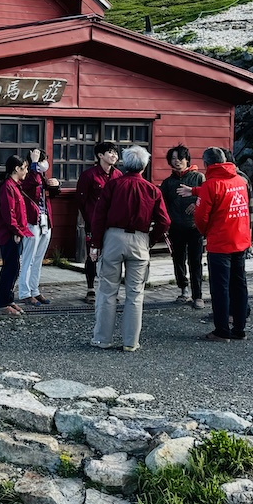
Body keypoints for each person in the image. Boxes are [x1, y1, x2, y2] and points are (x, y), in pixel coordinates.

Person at [89, 145, 170, 352]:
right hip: (140, 239)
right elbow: (164, 221)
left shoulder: (113, 185)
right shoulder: (153, 190)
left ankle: (102, 339)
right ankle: (130, 342)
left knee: (107, 291)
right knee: (135, 294)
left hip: (113, 238)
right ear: (144, 165)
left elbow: (99, 217)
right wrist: (150, 240)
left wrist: (95, 244)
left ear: (125, 163)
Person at [194, 146, 253, 342]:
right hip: (240, 240)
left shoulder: (212, 184)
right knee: (240, 285)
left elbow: (201, 217)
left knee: (220, 287)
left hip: (220, 242)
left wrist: (205, 232)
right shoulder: (239, 180)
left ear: (207, 164)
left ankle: (221, 330)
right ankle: (239, 328)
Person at [160, 144, 205, 308]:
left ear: (187, 159)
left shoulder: (199, 178)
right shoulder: (167, 183)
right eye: (173, 158)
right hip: (175, 228)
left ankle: (198, 295)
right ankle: (183, 289)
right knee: (178, 259)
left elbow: (208, 198)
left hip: (195, 227)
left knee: (196, 261)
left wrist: (197, 204)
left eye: (180, 158)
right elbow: (162, 205)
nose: (177, 161)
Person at [75, 141, 120, 303]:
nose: (114, 155)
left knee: (112, 257)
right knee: (92, 255)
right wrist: (89, 218)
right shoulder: (89, 175)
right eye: (110, 152)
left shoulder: (118, 176)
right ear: (100, 155)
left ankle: (108, 289)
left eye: (115, 153)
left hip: (113, 223)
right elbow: (81, 200)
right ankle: (90, 289)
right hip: (94, 222)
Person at [18, 147, 61, 306]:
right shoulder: (29, 175)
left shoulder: (41, 176)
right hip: (32, 220)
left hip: (45, 219)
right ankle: (24, 292)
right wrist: (34, 163)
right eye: (42, 160)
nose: (45, 164)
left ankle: (34, 290)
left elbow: (52, 193)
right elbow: (32, 182)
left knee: (38, 258)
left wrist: (55, 185)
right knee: (28, 258)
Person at [0, 154, 33, 316]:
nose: (27, 171)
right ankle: (1, 302)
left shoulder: (15, 185)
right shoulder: (7, 186)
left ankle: (8, 299)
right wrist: (15, 231)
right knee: (10, 267)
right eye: (25, 168)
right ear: (17, 169)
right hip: (9, 233)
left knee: (15, 267)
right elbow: (9, 213)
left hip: (16, 232)